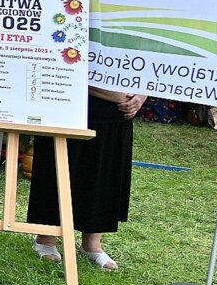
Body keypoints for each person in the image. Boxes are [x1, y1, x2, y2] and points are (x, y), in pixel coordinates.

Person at [30, 88, 143, 269]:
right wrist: (114, 95)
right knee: (57, 166)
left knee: (104, 169)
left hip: (117, 111)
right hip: (67, 100)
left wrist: (141, 95)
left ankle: (92, 244)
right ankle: (46, 238)